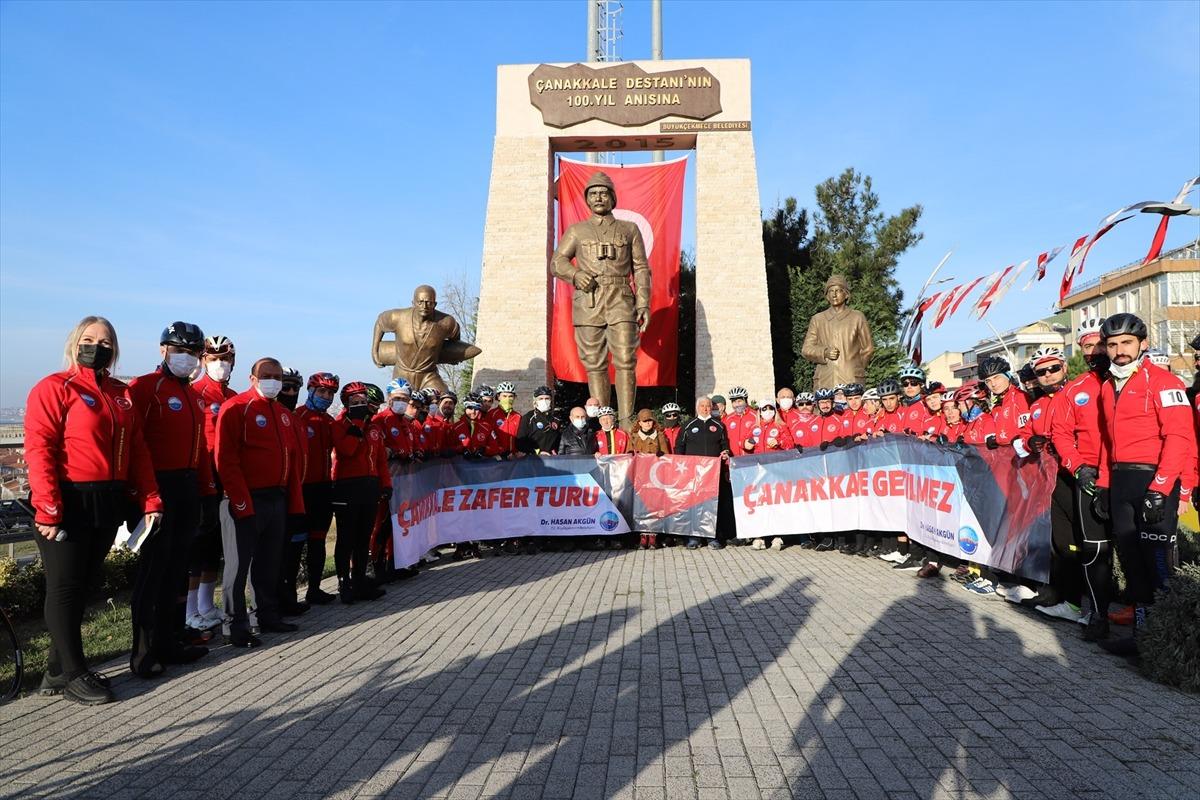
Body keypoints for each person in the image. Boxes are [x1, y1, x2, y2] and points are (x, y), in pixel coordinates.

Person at [26, 316, 163, 704]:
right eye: (88, 339)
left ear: (114, 350)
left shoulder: (121, 394)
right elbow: (40, 449)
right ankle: (73, 674)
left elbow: (138, 450)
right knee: (65, 587)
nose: (96, 346)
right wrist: (49, 507)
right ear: (74, 343)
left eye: (105, 342)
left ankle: (55, 669)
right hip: (68, 500)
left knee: (85, 585)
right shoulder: (55, 388)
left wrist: (150, 498)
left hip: (108, 499)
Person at [1093, 314, 1197, 657]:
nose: (1119, 350)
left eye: (1126, 343)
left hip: (1153, 479)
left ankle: (1169, 644)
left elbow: (1179, 437)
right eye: (1112, 344)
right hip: (1121, 479)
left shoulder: (1165, 382)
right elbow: (1107, 441)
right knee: (1133, 562)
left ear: (1143, 344)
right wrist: (1106, 485)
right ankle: (1142, 635)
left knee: (1159, 564)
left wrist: (1161, 487)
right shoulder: (1108, 386)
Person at [127, 321, 215, 678]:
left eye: (193, 353)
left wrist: (207, 492)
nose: (187, 358)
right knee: (153, 573)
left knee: (177, 570)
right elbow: (135, 444)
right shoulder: (145, 387)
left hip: (188, 487)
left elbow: (201, 451)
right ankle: (143, 653)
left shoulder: (195, 396)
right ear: (163, 350)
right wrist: (144, 496)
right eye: (180, 351)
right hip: (156, 489)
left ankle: (171, 640)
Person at [215, 357, 306, 648]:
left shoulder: (281, 413)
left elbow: (290, 461)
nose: (273, 381)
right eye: (266, 375)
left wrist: (293, 503)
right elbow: (225, 459)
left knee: (268, 563)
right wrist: (241, 501)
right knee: (238, 566)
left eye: (277, 377)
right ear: (253, 378)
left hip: (275, 498)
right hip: (245, 498)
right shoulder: (238, 408)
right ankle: (235, 624)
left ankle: (266, 615)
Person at [1020, 346, 1087, 621]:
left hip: (1074, 475)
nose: (1048, 375)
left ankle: (1076, 600)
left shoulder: (1076, 395)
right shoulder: (1036, 406)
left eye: (1053, 368)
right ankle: (1055, 593)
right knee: (1055, 540)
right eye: (1041, 371)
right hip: (1047, 478)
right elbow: (1023, 435)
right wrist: (1028, 442)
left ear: (1065, 368)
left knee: (1076, 541)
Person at [187, 334, 237, 635]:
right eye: (213, 359)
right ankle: (190, 610)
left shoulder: (232, 397)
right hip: (201, 479)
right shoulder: (196, 393)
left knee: (214, 549)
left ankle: (207, 605)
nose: (220, 364)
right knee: (197, 547)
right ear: (204, 361)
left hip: (226, 480)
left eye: (225, 359)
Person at [293, 372, 340, 604]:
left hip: (323, 488)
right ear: (310, 391)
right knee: (295, 543)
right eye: (322, 391)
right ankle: (289, 593)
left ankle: (314, 588)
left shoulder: (330, 422)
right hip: (301, 489)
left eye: (331, 393)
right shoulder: (298, 416)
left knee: (318, 541)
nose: (326, 396)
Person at [274, 367, 311, 615]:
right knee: (276, 552)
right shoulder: (273, 416)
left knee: (294, 548)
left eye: (294, 388)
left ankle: (288, 597)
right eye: (285, 387)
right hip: (278, 494)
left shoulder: (296, 419)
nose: (290, 392)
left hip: (301, 492)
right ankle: (273, 602)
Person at [673, 397, 730, 550]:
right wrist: (682, 468)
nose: (705, 408)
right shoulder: (688, 425)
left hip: (713, 474)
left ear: (712, 408)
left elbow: (725, 445)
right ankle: (694, 538)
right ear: (697, 407)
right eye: (702, 406)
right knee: (694, 505)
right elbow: (679, 447)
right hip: (693, 474)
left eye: (708, 406)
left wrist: (726, 453)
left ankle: (712, 538)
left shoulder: (719, 425)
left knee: (712, 506)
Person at [978, 356, 1031, 454]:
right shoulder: (996, 407)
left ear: (1007, 375)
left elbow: (1028, 430)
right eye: (988, 381)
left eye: (996, 377)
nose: (993, 384)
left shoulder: (1020, 397)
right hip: (1007, 462)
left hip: (1025, 460)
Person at [516, 385, 561, 455]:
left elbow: (559, 440)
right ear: (535, 401)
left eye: (547, 398)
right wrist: (537, 452)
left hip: (551, 459)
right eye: (541, 399)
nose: (544, 401)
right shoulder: (529, 417)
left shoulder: (556, 418)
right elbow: (520, 443)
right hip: (534, 458)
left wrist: (556, 450)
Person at [722, 386, 757, 455]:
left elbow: (761, 436)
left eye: (739, 401)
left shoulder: (755, 416)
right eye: (734, 402)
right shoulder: (728, 419)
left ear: (745, 400)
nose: (737, 404)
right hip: (733, 459)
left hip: (751, 459)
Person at [492, 381, 523, 455]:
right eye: (504, 396)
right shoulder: (491, 415)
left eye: (510, 396)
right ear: (498, 397)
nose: (508, 399)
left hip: (514, 458)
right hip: (497, 457)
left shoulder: (518, 417)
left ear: (514, 397)